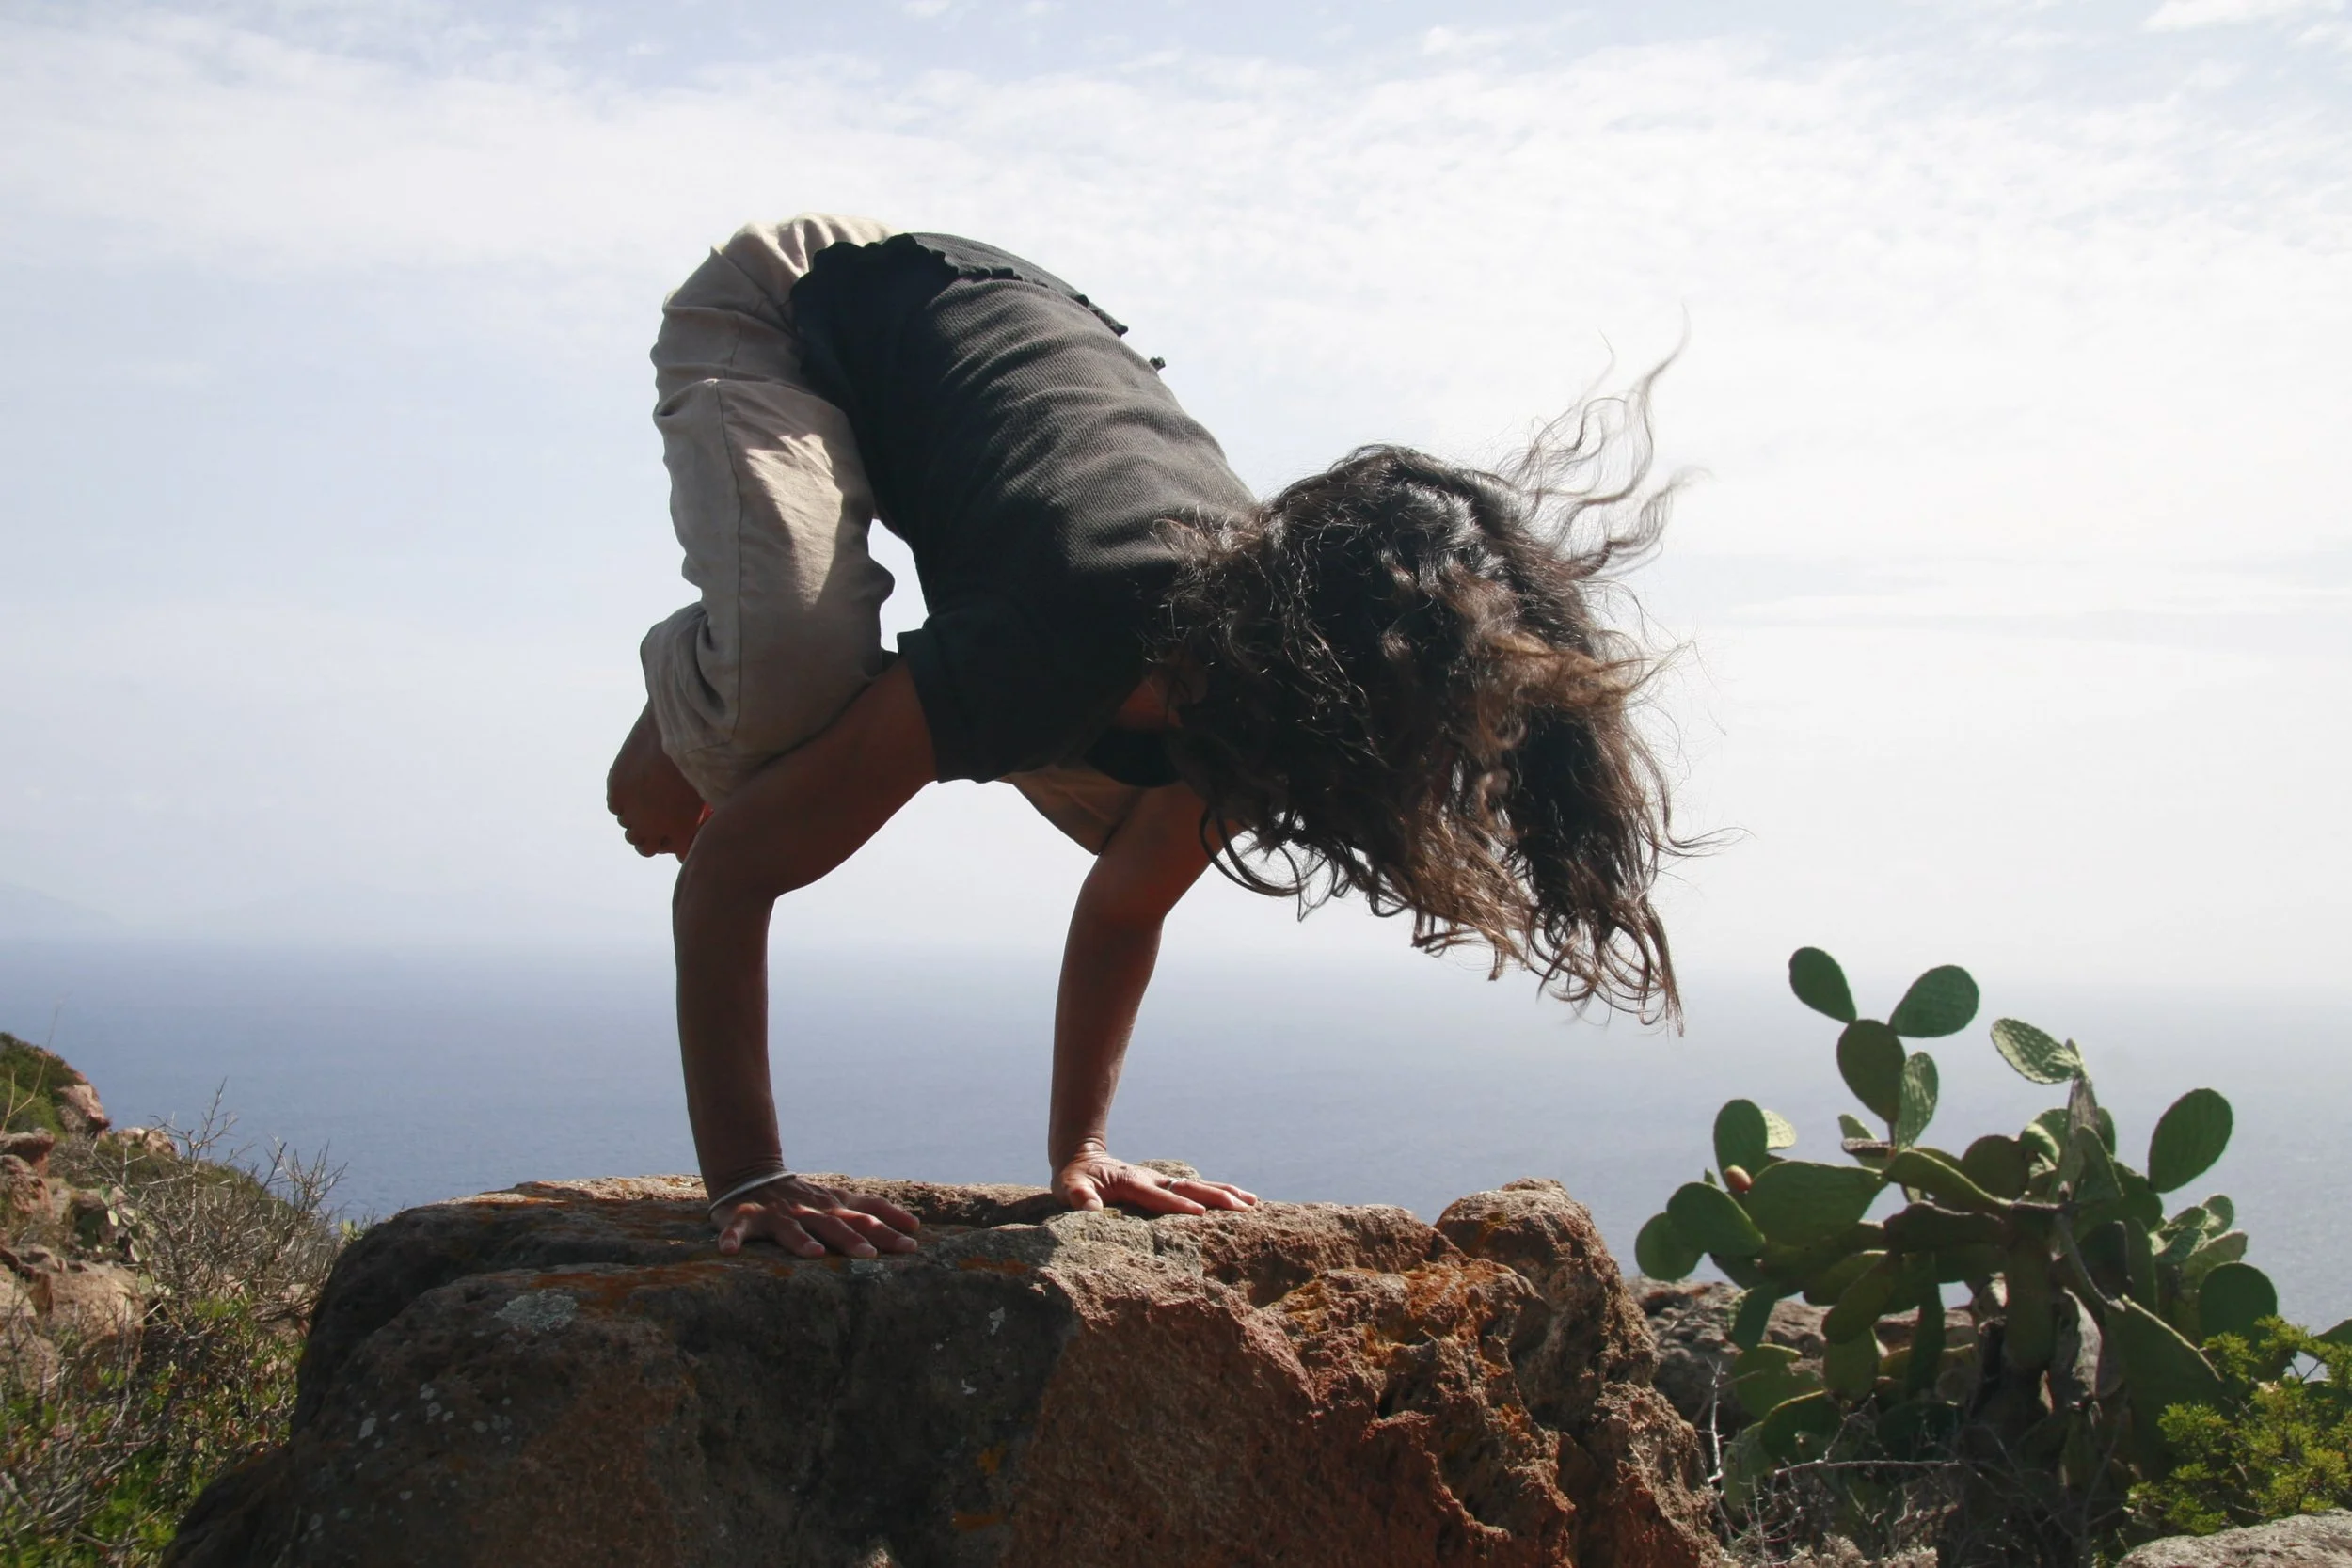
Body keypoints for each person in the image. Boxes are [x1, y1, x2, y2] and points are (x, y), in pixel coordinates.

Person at [607, 215, 1683, 1261]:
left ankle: (770, 710)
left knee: (1099, 795)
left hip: (1016, 339)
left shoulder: (1264, 707)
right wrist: (750, 1177)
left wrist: (1082, 1150)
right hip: (807, 297)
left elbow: (1126, 904)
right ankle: (696, 695)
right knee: (783, 695)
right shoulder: (1077, 627)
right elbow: (726, 873)